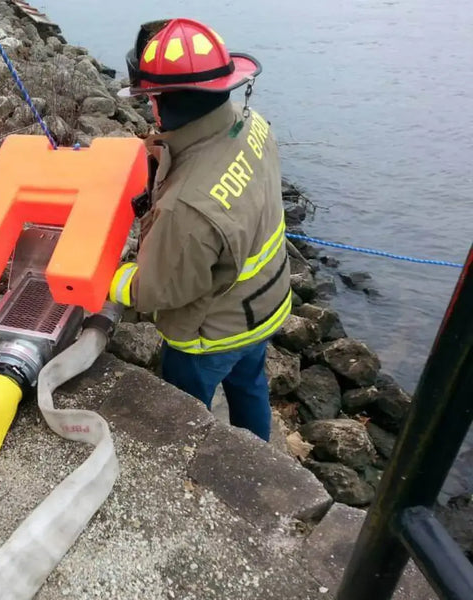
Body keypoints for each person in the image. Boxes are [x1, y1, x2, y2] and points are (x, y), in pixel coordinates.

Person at [110, 18, 291, 441]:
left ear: (158, 101)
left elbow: (156, 290)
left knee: (184, 418)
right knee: (249, 388)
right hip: (264, 304)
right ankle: (256, 460)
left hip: (209, 336)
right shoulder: (254, 125)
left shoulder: (186, 209)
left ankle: (189, 469)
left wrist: (104, 280)